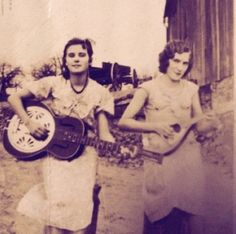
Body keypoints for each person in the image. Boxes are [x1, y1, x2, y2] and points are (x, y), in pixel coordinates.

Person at [7, 38, 115, 234]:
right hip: (55, 156)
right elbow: (13, 98)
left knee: (81, 213)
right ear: (64, 60)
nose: (76, 59)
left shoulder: (100, 93)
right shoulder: (53, 84)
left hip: (85, 157)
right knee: (56, 211)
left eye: (82, 54)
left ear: (90, 59)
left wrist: (111, 144)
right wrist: (29, 122)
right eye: (71, 55)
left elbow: (104, 131)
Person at [118, 40, 220, 234]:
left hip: (188, 159)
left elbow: (199, 124)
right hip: (158, 158)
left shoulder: (191, 89)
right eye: (176, 61)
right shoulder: (147, 88)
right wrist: (155, 127)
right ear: (166, 61)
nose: (180, 67)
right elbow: (124, 122)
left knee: (194, 213)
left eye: (184, 63)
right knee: (159, 215)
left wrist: (212, 123)